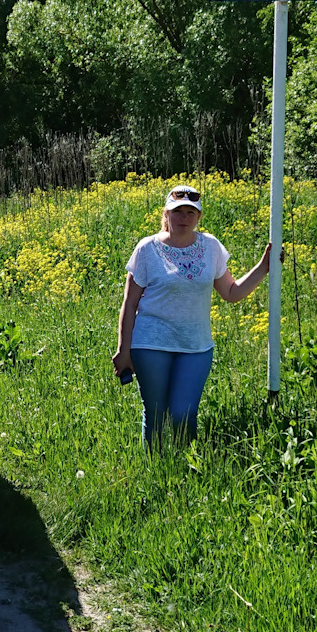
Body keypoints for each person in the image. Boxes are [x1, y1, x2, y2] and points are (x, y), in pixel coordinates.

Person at [111, 185, 273, 445]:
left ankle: (186, 470)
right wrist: (124, 349)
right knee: (155, 413)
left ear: (199, 217)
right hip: (150, 343)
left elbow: (231, 293)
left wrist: (263, 268)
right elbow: (129, 304)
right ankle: (157, 472)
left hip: (196, 346)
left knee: (182, 414)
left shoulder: (211, 247)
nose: (184, 217)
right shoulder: (147, 249)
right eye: (177, 211)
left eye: (190, 212)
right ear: (166, 214)